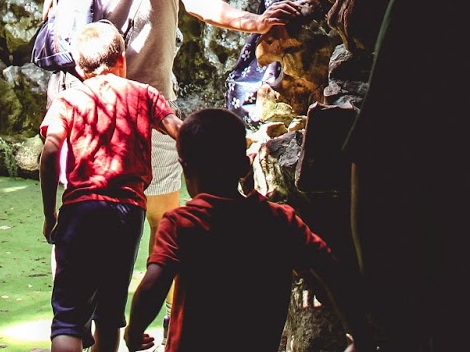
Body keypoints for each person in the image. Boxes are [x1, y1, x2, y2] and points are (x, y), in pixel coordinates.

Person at [42, 0, 302, 298]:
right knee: (164, 219)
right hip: (148, 110)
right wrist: (258, 22)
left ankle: (75, 321)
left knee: (76, 210)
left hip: (81, 104)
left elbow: (53, 18)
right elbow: (199, 4)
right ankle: (148, 319)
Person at [123, 108, 381, 352]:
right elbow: (332, 274)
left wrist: (133, 331)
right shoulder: (279, 221)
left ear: (185, 166)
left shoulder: (182, 223)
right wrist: (360, 336)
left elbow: (154, 283)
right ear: (245, 166)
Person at [40, 20, 185, 352]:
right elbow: (178, 130)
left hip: (79, 209)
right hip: (128, 212)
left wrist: (50, 215)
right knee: (110, 314)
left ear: (79, 67)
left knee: (69, 317)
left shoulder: (69, 99)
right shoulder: (145, 94)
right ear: (122, 58)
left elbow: (50, 154)